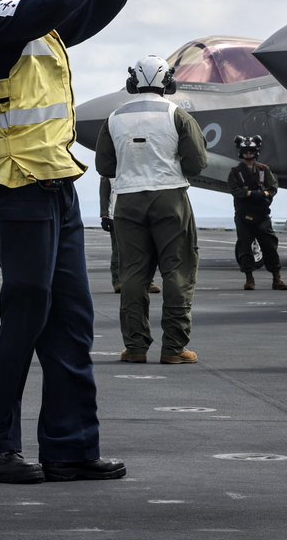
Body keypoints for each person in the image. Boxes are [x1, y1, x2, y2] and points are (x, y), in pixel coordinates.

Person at [0, 0, 142, 484]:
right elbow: (54, 2)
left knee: (71, 322)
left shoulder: (33, 26)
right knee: (26, 316)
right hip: (15, 188)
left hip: (56, 186)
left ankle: (70, 447)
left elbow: (80, 11)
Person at [95, 55, 207, 365]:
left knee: (133, 274)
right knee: (177, 271)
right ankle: (174, 348)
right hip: (170, 198)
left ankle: (135, 347)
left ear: (132, 82)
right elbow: (197, 163)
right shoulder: (178, 115)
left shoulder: (114, 118)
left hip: (128, 201)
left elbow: (104, 166)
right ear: (168, 82)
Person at [228, 135, 286, 291]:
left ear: (255, 151)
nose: (248, 153)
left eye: (251, 151)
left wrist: (264, 194)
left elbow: (273, 187)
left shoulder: (263, 169)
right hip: (243, 215)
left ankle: (277, 278)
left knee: (270, 246)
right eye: (245, 151)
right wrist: (250, 194)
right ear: (241, 152)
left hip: (261, 215)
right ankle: (249, 279)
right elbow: (234, 190)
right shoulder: (235, 172)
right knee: (244, 247)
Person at [99, 176, 160, 295]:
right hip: (115, 216)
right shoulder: (108, 173)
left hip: (139, 216)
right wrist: (104, 215)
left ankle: (147, 282)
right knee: (118, 251)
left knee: (144, 249)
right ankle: (118, 282)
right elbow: (104, 194)